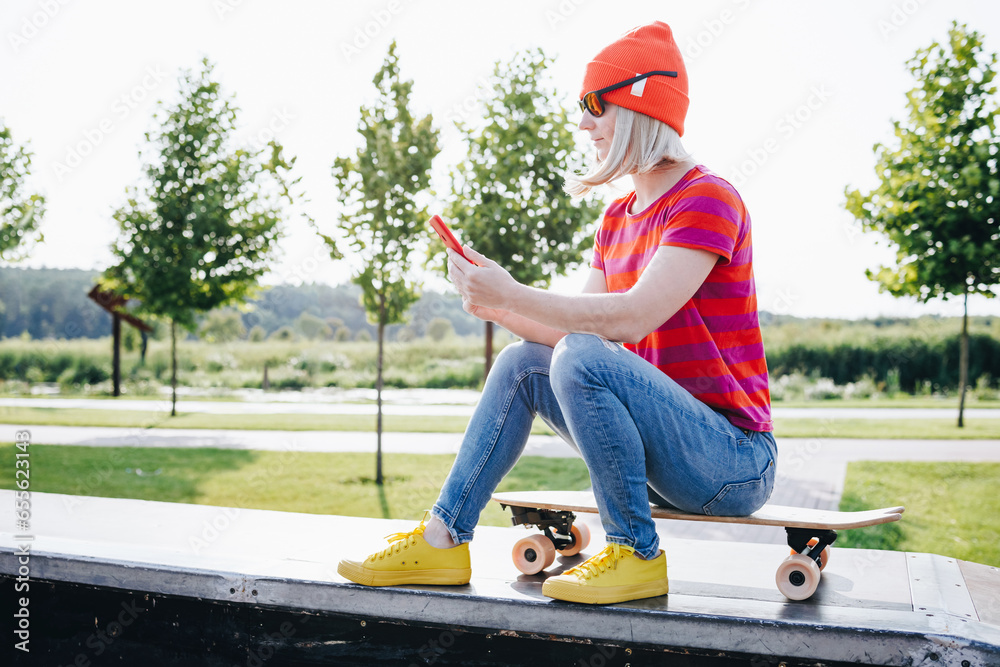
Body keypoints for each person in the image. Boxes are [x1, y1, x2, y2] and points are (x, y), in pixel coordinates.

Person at [338, 21, 776, 605]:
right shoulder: (619, 218)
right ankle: (443, 539)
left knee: (583, 352)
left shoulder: (707, 199)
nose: (583, 124)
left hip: (732, 461)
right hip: (665, 460)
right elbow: (569, 333)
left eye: (596, 105)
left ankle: (636, 554)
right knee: (524, 362)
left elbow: (627, 320)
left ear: (642, 105)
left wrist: (513, 291)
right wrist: (491, 300)